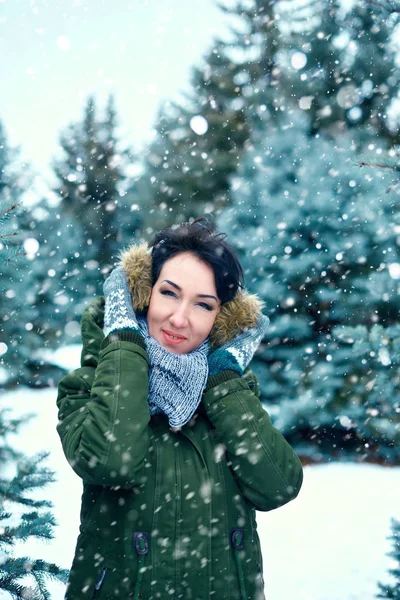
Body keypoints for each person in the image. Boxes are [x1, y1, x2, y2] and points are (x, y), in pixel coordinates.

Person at [56, 216, 303, 600]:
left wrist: (222, 382)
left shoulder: (230, 390)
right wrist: (123, 340)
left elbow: (278, 485)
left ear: (219, 318)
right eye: (169, 293)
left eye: (203, 305)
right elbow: (110, 461)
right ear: (142, 295)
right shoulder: (89, 385)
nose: (179, 318)